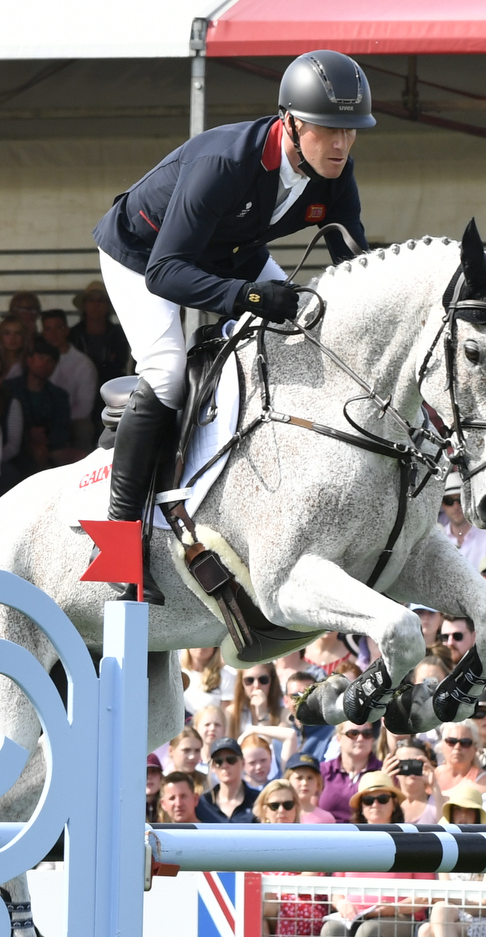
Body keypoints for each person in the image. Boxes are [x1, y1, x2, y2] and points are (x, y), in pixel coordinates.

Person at [93, 50, 374, 601]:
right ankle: (119, 549)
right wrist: (245, 297)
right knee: (169, 373)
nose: (340, 145)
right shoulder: (225, 163)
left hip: (233, 249)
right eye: (327, 130)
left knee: (307, 326)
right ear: (290, 122)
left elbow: (352, 261)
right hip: (142, 254)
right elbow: (166, 272)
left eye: (351, 132)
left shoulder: (335, 171)